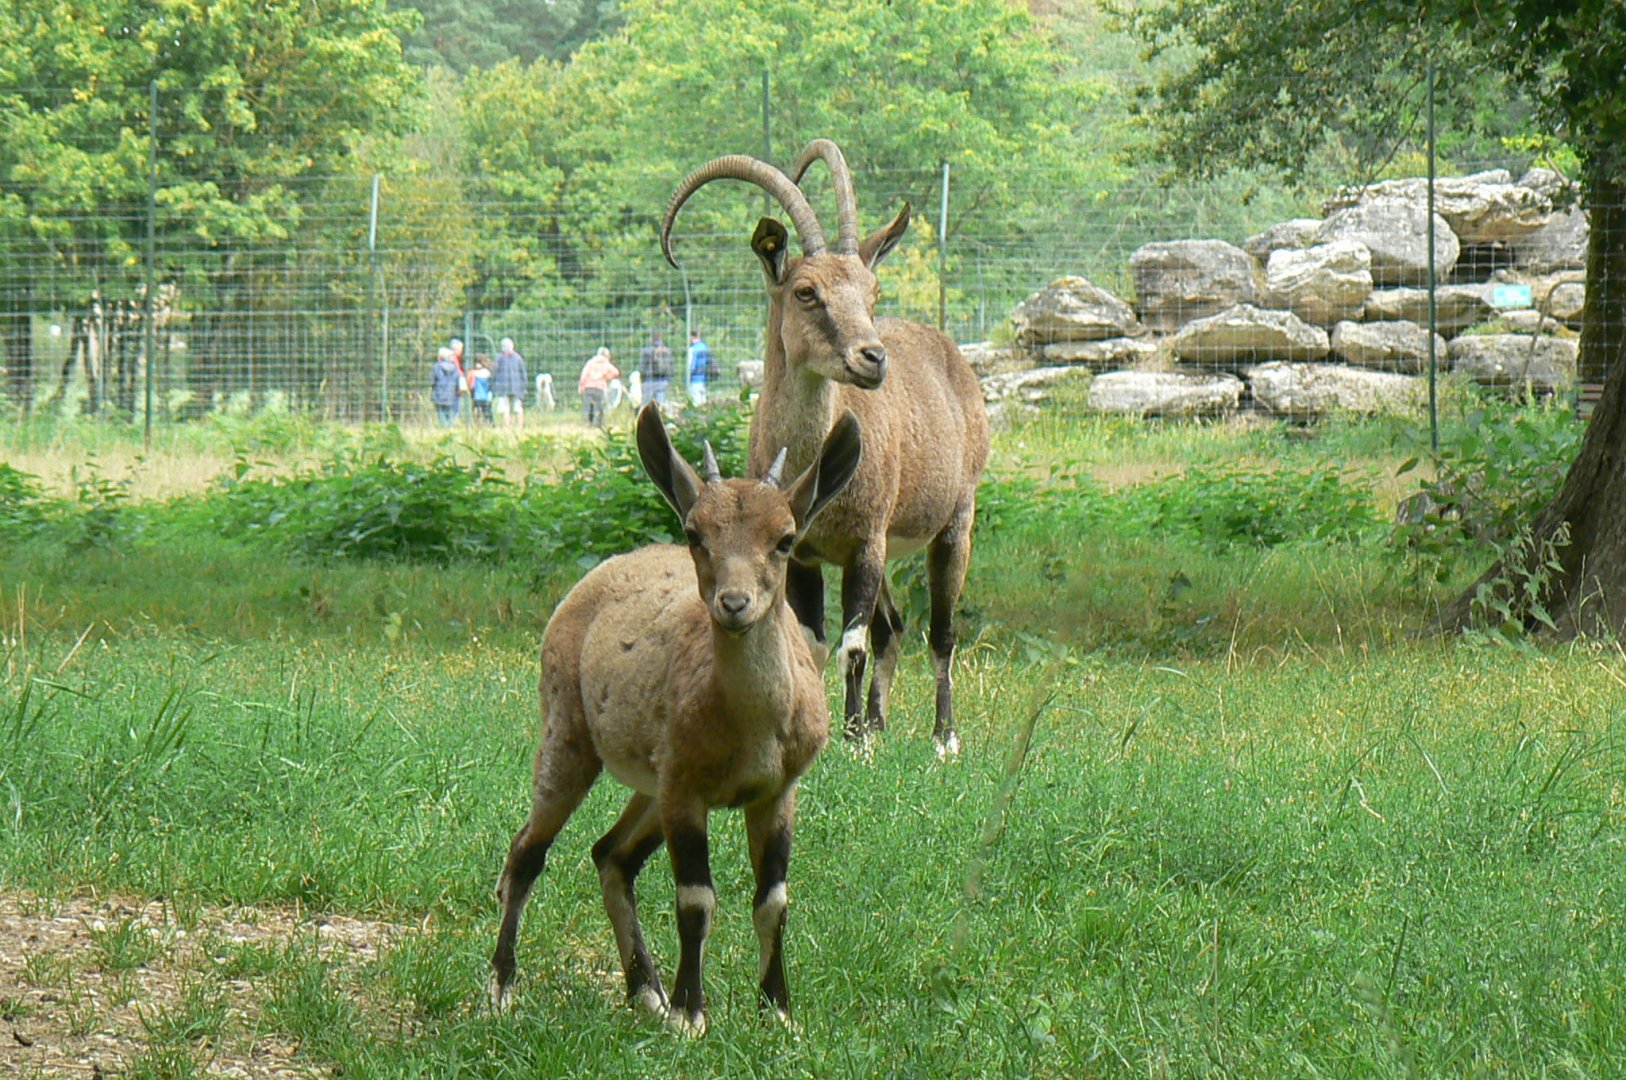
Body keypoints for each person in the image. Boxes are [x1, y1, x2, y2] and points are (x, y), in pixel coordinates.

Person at [491, 336, 529, 430]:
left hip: (502, 387)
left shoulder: (498, 358)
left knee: (505, 409)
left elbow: (494, 373)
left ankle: (507, 428)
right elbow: (523, 374)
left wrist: (492, 385)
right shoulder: (518, 358)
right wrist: (524, 386)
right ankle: (518, 428)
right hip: (517, 387)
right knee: (517, 409)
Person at [578, 346, 619, 428]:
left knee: (587, 407)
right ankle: (598, 425)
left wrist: (581, 386)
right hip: (600, 388)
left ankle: (587, 424)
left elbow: (584, 375)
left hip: (588, 387)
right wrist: (607, 377)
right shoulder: (606, 364)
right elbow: (616, 372)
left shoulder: (590, 362)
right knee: (599, 407)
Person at [430, 346, 463, 426]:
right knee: (450, 416)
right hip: (451, 395)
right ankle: (450, 431)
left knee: (442, 418)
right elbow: (457, 381)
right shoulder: (455, 368)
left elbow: (432, 381)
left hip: (439, 395)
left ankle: (443, 432)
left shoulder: (437, 367)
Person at [639, 332, 673, 405]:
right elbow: (670, 367)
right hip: (662, 380)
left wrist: (642, 380)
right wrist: (668, 379)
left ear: (652, 339)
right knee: (661, 404)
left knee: (646, 404)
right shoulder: (667, 351)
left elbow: (642, 368)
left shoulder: (646, 351)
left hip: (649, 380)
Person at [687, 330, 715, 406]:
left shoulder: (692, 349)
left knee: (695, 401)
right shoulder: (704, 347)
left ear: (692, 337)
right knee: (703, 400)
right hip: (703, 377)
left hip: (695, 378)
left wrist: (688, 375)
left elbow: (690, 365)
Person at [469, 355, 493, 424]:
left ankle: (477, 423)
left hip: (477, 395)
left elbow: (471, 385)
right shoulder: (488, 372)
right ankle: (489, 423)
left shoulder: (473, 373)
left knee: (476, 410)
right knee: (487, 411)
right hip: (487, 396)